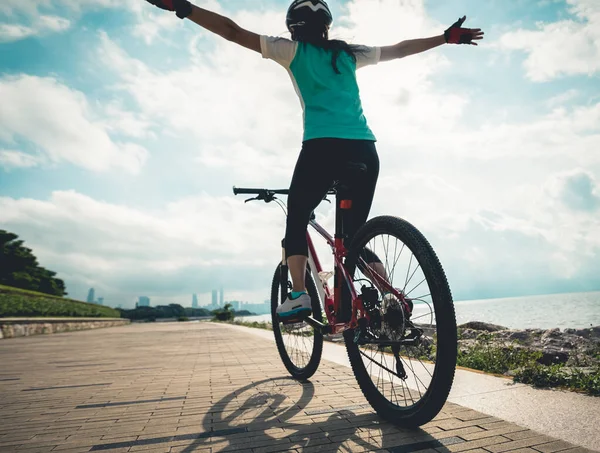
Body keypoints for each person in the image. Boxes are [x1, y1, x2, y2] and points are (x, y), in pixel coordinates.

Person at [145, 0, 484, 319]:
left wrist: (185, 7)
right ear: (326, 27)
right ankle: (389, 296)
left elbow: (232, 31)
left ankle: (298, 295)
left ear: (293, 27)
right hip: (365, 149)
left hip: (322, 149)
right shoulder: (349, 54)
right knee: (354, 238)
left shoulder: (291, 50)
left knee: (296, 218)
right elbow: (400, 49)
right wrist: (444, 38)